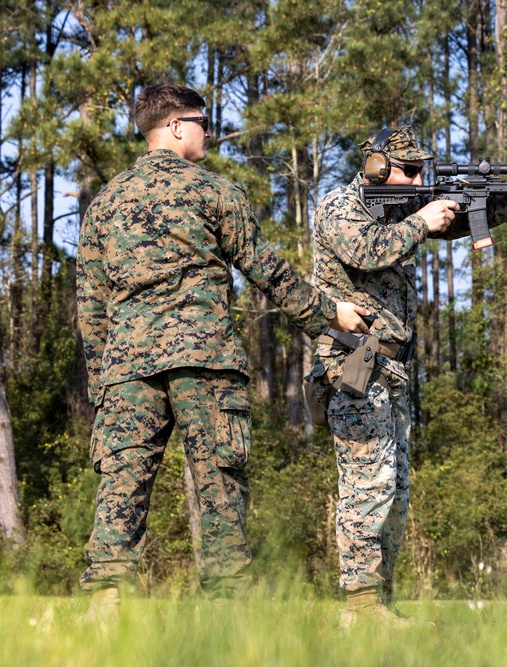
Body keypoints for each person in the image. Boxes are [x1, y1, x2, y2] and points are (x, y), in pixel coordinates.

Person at [76, 83, 370, 622]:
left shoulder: (104, 205)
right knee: (219, 485)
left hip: (126, 370)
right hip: (205, 360)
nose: (209, 132)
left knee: (122, 483)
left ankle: (106, 606)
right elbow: (268, 271)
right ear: (173, 128)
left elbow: (90, 307)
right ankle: (226, 616)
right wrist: (332, 314)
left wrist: (103, 381)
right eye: (202, 122)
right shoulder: (215, 192)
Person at [310, 126, 507, 627]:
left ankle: (378, 607)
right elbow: (365, 251)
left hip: (392, 370)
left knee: (396, 493)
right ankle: (359, 610)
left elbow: (459, 220)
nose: (416, 181)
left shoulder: (400, 210)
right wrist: (422, 220)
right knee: (369, 486)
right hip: (354, 363)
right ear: (378, 168)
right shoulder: (341, 206)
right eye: (407, 172)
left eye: (420, 172)